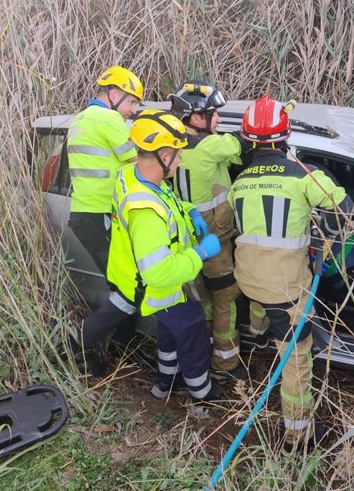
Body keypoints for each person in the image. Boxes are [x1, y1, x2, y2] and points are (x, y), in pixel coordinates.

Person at [228, 95, 354, 453]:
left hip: (247, 280)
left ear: (249, 140)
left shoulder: (240, 183)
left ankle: (260, 333)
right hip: (284, 287)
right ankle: (298, 438)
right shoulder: (302, 175)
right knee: (297, 359)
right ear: (285, 138)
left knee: (263, 307)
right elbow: (343, 208)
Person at [104, 108, 221, 402]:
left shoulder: (133, 174)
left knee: (168, 335)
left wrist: (188, 210)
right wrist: (199, 254)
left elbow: (165, 197)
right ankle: (202, 398)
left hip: (144, 285)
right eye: (178, 154)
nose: (180, 160)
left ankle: (163, 385)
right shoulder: (145, 213)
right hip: (159, 288)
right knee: (194, 340)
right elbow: (157, 271)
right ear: (163, 155)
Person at [169, 81, 268, 382]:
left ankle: (206, 348)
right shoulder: (211, 146)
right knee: (227, 298)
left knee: (207, 300)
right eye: (213, 114)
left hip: (190, 239)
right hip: (216, 240)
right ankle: (225, 365)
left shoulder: (172, 145)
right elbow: (247, 141)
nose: (218, 119)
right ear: (196, 118)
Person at [67, 65, 142, 273]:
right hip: (100, 212)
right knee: (124, 280)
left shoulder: (80, 119)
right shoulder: (108, 118)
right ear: (114, 94)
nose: (134, 110)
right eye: (132, 101)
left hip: (84, 213)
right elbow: (138, 162)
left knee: (117, 279)